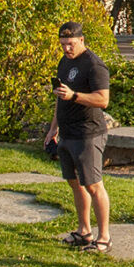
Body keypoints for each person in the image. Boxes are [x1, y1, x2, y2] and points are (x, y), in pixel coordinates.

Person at [43, 21, 113, 252]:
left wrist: (74, 96)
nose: (66, 49)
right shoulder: (64, 62)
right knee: (75, 184)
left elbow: (102, 100)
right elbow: (59, 97)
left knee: (93, 185)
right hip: (67, 132)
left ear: (81, 40)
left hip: (88, 133)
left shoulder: (94, 65)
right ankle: (84, 231)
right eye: (63, 44)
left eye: (70, 44)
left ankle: (104, 237)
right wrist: (54, 127)